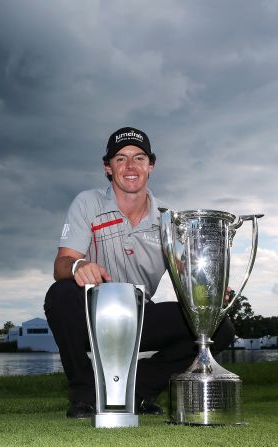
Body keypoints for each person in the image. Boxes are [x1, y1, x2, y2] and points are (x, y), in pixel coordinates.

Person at [44, 126, 235, 419]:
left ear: (151, 165)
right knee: (60, 294)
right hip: (94, 316)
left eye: (139, 158)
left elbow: (187, 277)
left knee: (220, 326)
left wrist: (208, 290)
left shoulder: (168, 221)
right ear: (108, 168)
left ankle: (139, 391)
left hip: (140, 317)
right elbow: (61, 265)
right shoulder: (88, 203)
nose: (130, 166)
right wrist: (78, 266)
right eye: (120, 159)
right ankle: (84, 394)